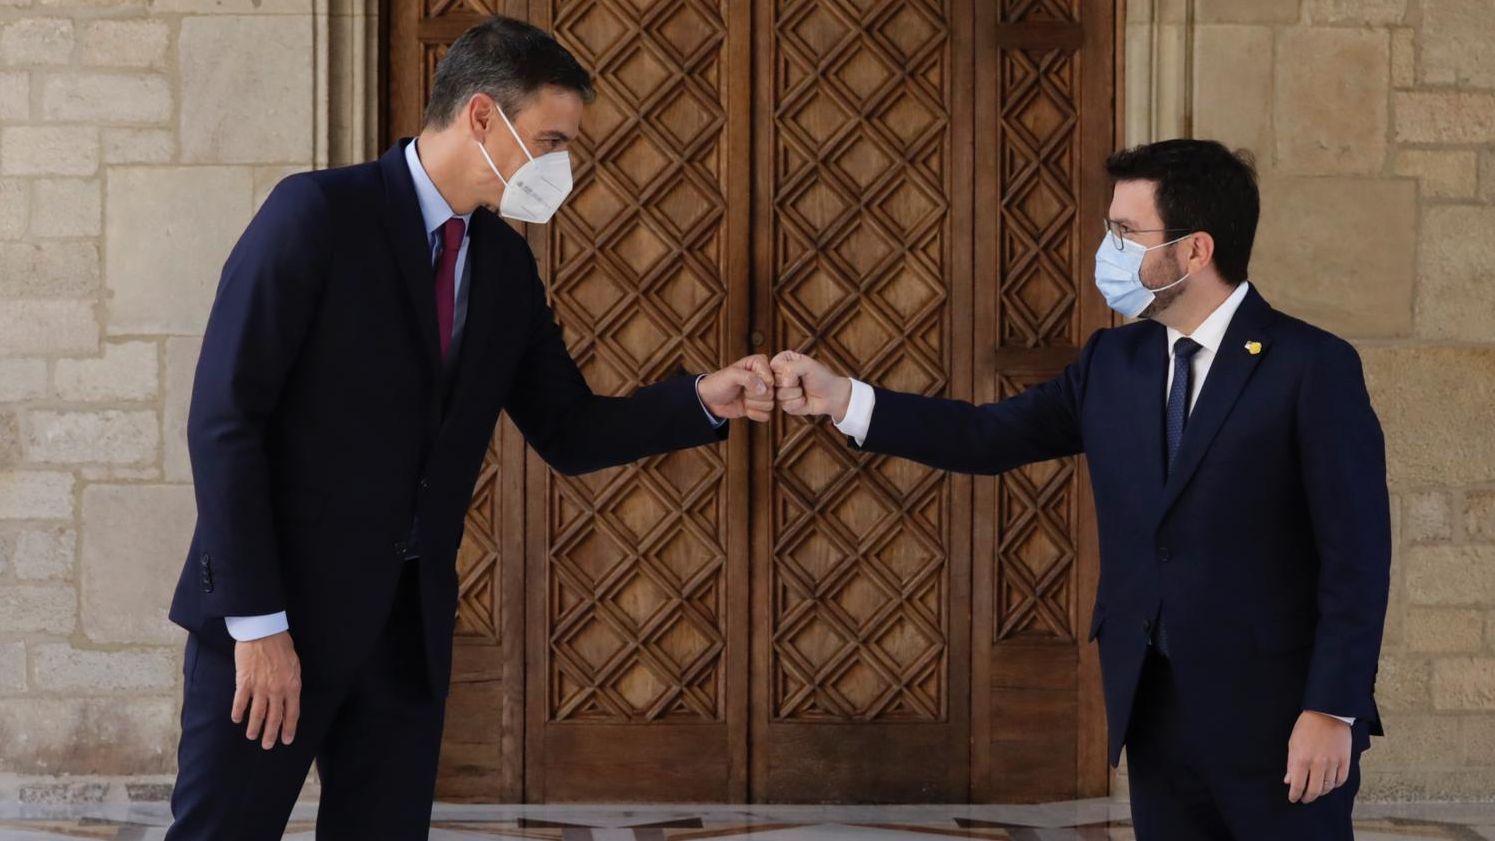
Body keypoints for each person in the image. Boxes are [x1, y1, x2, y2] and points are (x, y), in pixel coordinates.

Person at [165, 16, 774, 840]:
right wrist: (258, 625)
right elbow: (224, 421)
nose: (561, 166)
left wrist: (705, 396)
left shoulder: (505, 268)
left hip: (404, 638)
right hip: (275, 626)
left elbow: (571, 427)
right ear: (482, 116)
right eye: (551, 139)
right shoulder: (315, 214)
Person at [770, 139, 1390, 840]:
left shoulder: (1311, 366)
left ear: (1194, 251)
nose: (1109, 249)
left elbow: (1356, 558)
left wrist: (1331, 709)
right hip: (1151, 710)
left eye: (1125, 232)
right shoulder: (1111, 361)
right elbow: (985, 437)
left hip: (1279, 724)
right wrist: (843, 398)